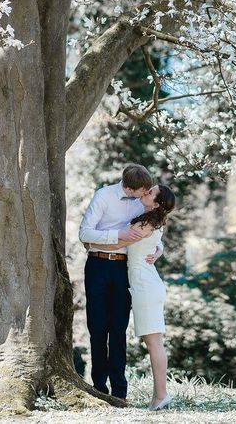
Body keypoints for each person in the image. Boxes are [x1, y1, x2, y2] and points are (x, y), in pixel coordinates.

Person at [78, 163, 161, 399]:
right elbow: (85, 233)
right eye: (142, 191)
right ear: (129, 187)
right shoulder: (103, 196)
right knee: (97, 327)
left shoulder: (141, 203)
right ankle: (99, 387)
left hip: (122, 269)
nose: (146, 195)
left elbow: (153, 231)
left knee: (118, 329)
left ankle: (120, 391)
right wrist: (118, 235)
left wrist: (159, 249)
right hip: (97, 265)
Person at [98, 184, 175, 410]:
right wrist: (159, 250)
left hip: (145, 285)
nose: (146, 193)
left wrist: (91, 241)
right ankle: (160, 395)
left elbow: (121, 243)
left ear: (157, 204)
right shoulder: (151, 221)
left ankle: (161, 395)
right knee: (153, 341)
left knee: (154, 342)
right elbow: (153, 244)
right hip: (145, 283)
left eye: (151, 193)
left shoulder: (146, 223)